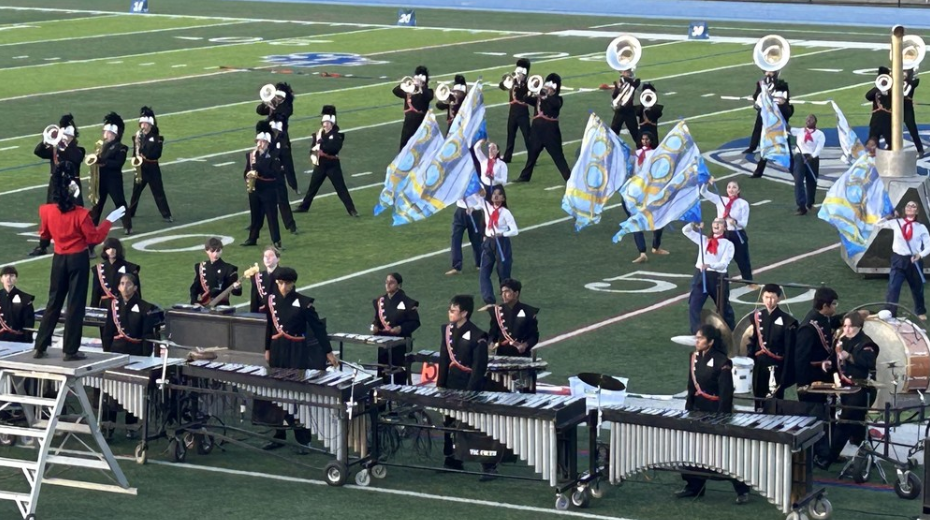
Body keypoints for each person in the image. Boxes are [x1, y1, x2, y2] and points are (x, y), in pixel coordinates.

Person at [32, 161, 124, 361]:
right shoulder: (81, 215)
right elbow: (94, 238)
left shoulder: (46, 210)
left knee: (53, 302)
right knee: (75, 304)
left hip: (59, 258)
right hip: (77, 259)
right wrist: (109, 220)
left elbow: (45, 234)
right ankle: (70, 349)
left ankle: (40, 345)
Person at [262, 267, 338, 450]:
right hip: (277, 350)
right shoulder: (271, 300)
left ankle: (303, 439)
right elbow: (268, 326)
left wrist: (328, 351)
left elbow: (318, 328)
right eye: (280, 283)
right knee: (276, 394)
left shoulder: (303, 303)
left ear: (293, 283)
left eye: (286, 284)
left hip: (296, 351)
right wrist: (266, 348)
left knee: (297, 395)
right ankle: (278, 434)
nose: (283, 287)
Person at [675, 324, 752, 504]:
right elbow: (691, 387)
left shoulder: (722, 361)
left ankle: (742, 488)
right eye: (697, 337)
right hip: (697, 411)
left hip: (715, 411)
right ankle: (694, 486)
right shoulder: (693, 357)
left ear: (710, 342)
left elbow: (726, 394)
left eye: (700, 338)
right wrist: (689, 411)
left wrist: (722, 418)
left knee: (723, 453)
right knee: (692, 451)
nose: (697, 341)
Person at [815, 311, 879, 470]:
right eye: (845, 326)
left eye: (851, 326)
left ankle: (829, 458)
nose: (847, 329)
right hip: (845, 390)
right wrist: (828, 363)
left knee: (845, 422)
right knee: (857, 425)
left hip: (861, 390)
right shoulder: (841, 339)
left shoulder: (866, 343)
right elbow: (834, 358)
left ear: (859, 327)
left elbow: (867, 363)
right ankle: (869, 456)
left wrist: (849, 356)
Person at [100, 273, 160, 438]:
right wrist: (107, 354)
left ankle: (130, 424)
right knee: (112, 391)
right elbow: (107, 332)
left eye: (128, 284)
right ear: (118, 287)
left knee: (132, 391)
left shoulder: (144, 307)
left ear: (135, 288)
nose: (125, 287)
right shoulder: (113, 306)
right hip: (116, 352)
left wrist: (145, 359)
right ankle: (108, 424)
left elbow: (147, 336)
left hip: (135, 354)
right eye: (122, 283)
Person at [437, 295, 489, 474]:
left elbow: (478, 368)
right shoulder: (446, 331)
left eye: (453, 310)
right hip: (451, 385)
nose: (449, 313)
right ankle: (451, 458)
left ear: (465, 313)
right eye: (450, 310)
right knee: (449, 423)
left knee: (475, 426)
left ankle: (488, 465)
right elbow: (443, 360)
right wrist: (440, 386)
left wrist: (470, 393)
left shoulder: (478, 336)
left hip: (469, 386)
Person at [794, 287, 845, 461]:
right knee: (816, 418)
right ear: (825, 305)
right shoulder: (808, 328)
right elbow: (800, 358)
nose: (835, 307)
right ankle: (819, 454)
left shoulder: (822, 318)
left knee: (827, 414)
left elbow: (831, 323)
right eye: (834, 304)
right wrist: (803, 385)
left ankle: (827, 451)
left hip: (824, 378)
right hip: (812, 380)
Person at [447, 138, 506, 276]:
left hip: (474, 211)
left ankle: (480, 263)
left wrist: (476, 204)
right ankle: (457, 266)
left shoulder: (475, 180)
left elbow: (481, 195)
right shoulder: (456, 179)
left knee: (476, 238)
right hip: (460, 210)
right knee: (455, 238)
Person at [30, 113, 85, 256]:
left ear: (72, 137)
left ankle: (86, 245)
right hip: (55, 185)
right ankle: (42, 245)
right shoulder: (54, 149)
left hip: (71, 185)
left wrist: (65, 145)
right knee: (48, 214)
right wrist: (46, 141)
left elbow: (76, 158)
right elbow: (38, 151)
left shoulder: (78, 150)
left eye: (66, 136)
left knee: (77, 214)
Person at [296, 106, 357, 217]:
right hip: (321, 164)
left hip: (332, 165)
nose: (325, 125)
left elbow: (334, 148)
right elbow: (312, 148)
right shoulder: (318, 134)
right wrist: (314, 152)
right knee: (312, 187)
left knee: (340, 188)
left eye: (328, 122)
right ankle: (304, 206)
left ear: (332, 124)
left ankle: (351, 210)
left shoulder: (337, 136)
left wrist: (321, 146)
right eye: (324, 122)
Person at [875, 201, 930, 320]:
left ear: (917, 211)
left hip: (914, 260)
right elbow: (878, 223)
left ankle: (920, 310)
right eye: (908, 206)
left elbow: (928, 246)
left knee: (917, 288)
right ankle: (890, 312)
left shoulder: (921, 227)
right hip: (898, 259)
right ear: (904, 209)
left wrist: (920, 255)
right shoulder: (896, 223)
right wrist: (888, 216)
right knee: (893, 287)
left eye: (913, 206)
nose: (910, 207)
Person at [745, 284, 797, 409]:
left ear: (779, 298)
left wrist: (785, 375)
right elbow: (753, 340)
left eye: (773, 297)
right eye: (766, 297)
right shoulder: (756, 317)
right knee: (758, 398)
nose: (769, 301)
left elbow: (790, 350)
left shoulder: (788, 321)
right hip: (759, 365)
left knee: (774, 401)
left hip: (776, 367)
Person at [515, 73, 571, 183]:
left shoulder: (557, 99)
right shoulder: (538, 98)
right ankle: (525, 176)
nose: (547, 89)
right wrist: (531, 92)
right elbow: (526, 99)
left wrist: (546, 96)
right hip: (537, 131)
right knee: (532, 154)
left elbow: (555, 105)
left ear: (554, 89)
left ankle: (569, 178)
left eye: (550, 87)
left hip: (550, 132)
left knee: (558, 156)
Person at [684, 220, 735, 333]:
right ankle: (697, 333)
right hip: (700, 276)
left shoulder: (728, 244)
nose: (716, 224)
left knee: (723, 307)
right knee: (694, 305)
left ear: (725, 228)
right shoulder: (704, 240)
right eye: (714, 222)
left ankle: (731, 332)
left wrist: (709, 265)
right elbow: (686, 231)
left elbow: (723, 265)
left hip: (717, 278)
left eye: (720, 223)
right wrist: (694, 224)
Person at [370, 272, 420, 383]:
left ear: (399, 285)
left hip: (399, 343)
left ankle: (399, 397)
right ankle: (382, 397)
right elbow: (377, 319)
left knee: (399, 373)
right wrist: (375, 326)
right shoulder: (380, 301)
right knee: (382, 371)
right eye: (386, 282)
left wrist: (401, 328)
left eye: (391, 282)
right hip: (383, 342)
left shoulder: (408, 302)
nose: (388, 285)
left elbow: (415, 322)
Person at [241, 121, 283, 250]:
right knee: (255, 215)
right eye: (258, 141)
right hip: (255, 189)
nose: (260, 144)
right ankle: (252, 238)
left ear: (268, 143)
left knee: (271, 216)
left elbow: (273, 173)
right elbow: (246, 170)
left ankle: (276, 241)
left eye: (263, 142)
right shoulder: (251, 155)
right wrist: (248, 176)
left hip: (268, 189)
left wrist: (257, 168)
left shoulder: (274, 156)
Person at [89, 112, 133, 235]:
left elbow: (118, 163)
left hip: (113, 180)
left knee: (120, 202)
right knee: (97, 204)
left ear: (114, 134)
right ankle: (92, 226)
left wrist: (102, 161)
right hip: (102, 179)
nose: (105, 135)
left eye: (107, 132)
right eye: (105, 132)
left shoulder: (121, 147)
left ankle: (127, 225)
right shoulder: (102, 146)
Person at [627, 132, 667, 264]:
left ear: (651, 140)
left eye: (647, 139)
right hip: (636, 191)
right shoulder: (636, 153)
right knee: (635, 220)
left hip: (650, 190)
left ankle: (656, 246)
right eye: (643, 139)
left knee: (659, 218)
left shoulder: (655, 154)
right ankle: (642, 252)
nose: (644, 141)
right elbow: (630, 169)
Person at [701, 177, 752, 283]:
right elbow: (703, 192)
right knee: (719, 257)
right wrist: (706, 182)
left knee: (742, 259)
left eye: (734, 187)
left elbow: (744, 224)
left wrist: (736, 222)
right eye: (729, 187)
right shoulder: (720, 200)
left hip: (736, 234)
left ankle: (748, 281)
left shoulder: (743, 204)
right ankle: (718, 279)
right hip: (722, 233)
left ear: (738, 190)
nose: (731, 189)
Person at [128, 106, 173, 223]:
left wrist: (144, 154)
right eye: (141, 123)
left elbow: (157, 153)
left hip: (152, 168)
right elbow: (135, 150)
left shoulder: (157, 138)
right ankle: (131, 212)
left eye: (145, 123)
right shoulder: (138, 136)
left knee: (158, 192)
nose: (143, 125)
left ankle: (166, 214)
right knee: (136, 191)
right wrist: (135, 160)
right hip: (141, 168)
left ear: (150, 125)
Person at [479, 186, 519, 306]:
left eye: (499, 195)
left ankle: (507, 299)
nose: (496, 197)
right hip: (489, 242)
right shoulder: (487, 207)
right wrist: (480, 190)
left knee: (503, 273)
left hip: (502, 243)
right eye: (494, 194)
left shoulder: (505, 213)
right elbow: (478, 198)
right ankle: (489, 300)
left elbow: (515, 230)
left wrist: (503, 233)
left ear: (503, 198)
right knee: (484, 272)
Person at [257, 82, 298, 192]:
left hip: (282, 136)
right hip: (270, 136)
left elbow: (282, 116)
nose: (277, 98)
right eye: (277, 96)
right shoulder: (272, 102)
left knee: (287, 161)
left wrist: (273, 109)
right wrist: (265, 104)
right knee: (266, 157)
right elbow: (259, 111)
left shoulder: (287, 106)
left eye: (279, 97)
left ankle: (293, 185)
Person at [751, 77, 793, 178]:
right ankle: (758, 172)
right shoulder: (764, 88)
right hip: (770, 128)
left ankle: (794, 170)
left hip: (780, 127)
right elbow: (759, 101)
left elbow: (785, 106)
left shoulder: (782, 88)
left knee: (786, 149)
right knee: (766, 149)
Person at [486, 278, 539, 358]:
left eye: (507, 291)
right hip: (501, 355)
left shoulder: (529, 312)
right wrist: (491, 343)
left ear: (516, 293)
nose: (503, 295)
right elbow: (492, 333)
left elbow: (534, 336)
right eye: (502, 292)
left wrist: (525, 345)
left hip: (522, 356)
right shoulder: (497, 311)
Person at [788, 114, 825, 216]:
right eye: (807, 118)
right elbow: (788, 129)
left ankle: (810, 202)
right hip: (800, 157)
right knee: (798, 181)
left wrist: (812, 156)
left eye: (811, 119)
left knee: (811, 181)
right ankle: (801, 206)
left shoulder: (820, 134)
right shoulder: (800, 131)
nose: (808, 120)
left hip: (812, 159)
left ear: (815, 121)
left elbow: (819, 147)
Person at [90, 237, 141, 309]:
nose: (111, 251)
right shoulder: (98, 269)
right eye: (108, 248)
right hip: (106, 308)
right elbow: (95, 295)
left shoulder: (131, 268)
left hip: (125, 308)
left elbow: (137, 294)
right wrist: (93, 312)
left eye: (114, 248)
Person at [268, 114, 298, 235]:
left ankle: (291, 225)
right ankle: (255, 227)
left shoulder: (282, 140)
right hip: (266, 175)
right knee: (262, 202)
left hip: (277, 175)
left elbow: (286, 159)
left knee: (283, 200)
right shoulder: (265, 140)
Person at [189, 237, 241, 306]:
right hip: (204, 307)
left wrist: (237, 288)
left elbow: (237, 293)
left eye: (218, 251)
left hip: (222, 308)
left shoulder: (229, 269)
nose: (215, 254)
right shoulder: (200, 267)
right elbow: (195, 288)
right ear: (206, 251)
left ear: (221, 250)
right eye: (212, 251)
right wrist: (194, 301)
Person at [394, 66, 434, 151]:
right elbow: (396, 91)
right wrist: (406, 84)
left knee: (420, 147)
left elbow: (428, 96)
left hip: (421, 122)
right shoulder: (409, 91)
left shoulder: (428, 91)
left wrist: (421, 86)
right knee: (405, 145)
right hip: (408, 122)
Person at [499, 58, 532, 164]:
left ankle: (532, 157)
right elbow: (502, 86)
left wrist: (519, 82)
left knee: (527, 136)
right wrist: (510, 81)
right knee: (510, 135)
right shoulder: (512, 82)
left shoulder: (527, 84)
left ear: (524, 74)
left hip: (522, 113)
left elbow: (522, 94)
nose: (517, 75)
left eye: (519, 74)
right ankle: (508, 157)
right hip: (512, 112)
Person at [743, 71, 778, 154]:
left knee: (773, 128)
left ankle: (775, 147)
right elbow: (756, 95)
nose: (768, 73)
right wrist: (757, 100)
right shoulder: (761, 83)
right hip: (763, 108)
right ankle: (752, 147)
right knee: (758, 127)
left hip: (774, 109)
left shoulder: (778, 83)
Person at [0, 266, 35, 343]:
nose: (8, 278)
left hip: (18, 339)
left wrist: (28, 341)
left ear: (16, 279)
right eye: (6, 276)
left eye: (12, 276)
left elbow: (29, 324)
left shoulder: (25, 299)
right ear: (1, 279)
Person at [610, 68, 641, 145]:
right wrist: (617, 89)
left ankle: (642, 150)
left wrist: (627, 81)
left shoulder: (631, 82)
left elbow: (635, 84)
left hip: (629, 111)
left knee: (635, 132)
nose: (628, 73)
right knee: (614, 131)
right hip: (619, 111)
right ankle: (611, 149)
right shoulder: (621, 82)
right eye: (626, 71)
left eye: (629, 71)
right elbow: (614, 96)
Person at [866, 67, 893, 150]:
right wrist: (878, 87)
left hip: (887, 119)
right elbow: (868, 96)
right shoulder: (876, 90)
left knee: (891, 142)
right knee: (872, 141)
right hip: (876, 119)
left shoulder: (892, 91)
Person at [250, 246, 280, 313]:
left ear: (278, 259)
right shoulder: (257, 277)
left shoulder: (284, 275)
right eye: (265, 256)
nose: (267, 258)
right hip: (262, 316)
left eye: (271, 256)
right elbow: (254, 301)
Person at [904, 68, 924, 156]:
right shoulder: (895, 81)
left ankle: (920, 149)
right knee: (888, 128)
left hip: (907, 109)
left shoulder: (912, 82)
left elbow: (916, 81)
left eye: (906, 72)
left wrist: (914, 74)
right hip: (894, 108)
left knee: (912, 129)